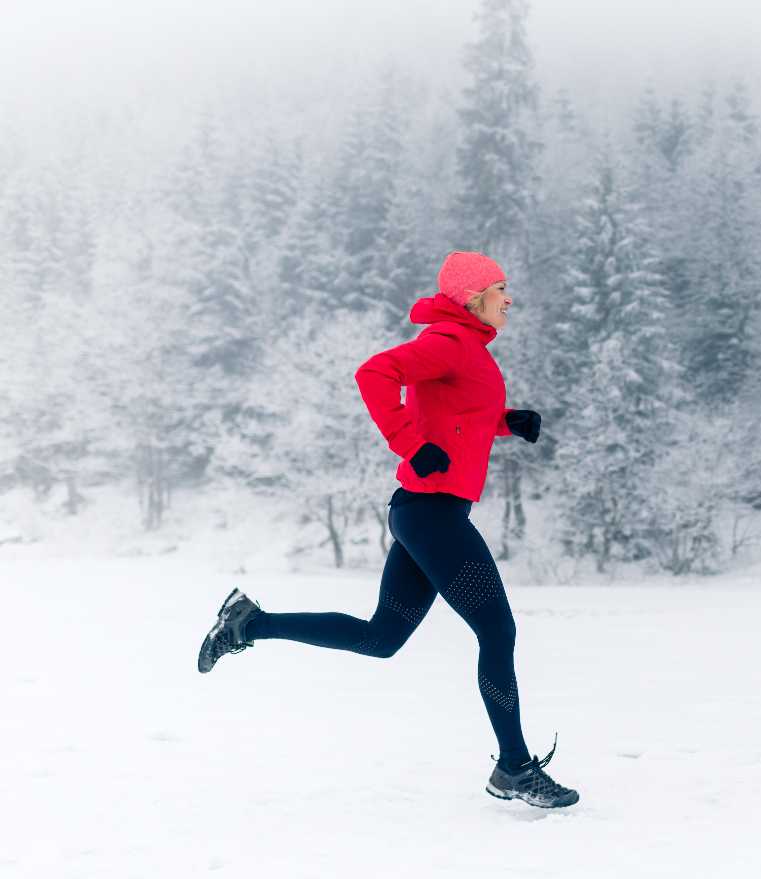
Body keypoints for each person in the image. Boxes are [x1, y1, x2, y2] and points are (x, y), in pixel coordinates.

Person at [196, 252, 578, 809]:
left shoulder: (466, 348)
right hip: (432, 514)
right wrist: (407, 443)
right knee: (498, 633)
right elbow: (374, 372)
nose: (509, 298)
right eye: (500, 287)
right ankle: (514, 767)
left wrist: (505, 421)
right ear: (473, 297)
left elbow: (455, 412)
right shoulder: (449, 341)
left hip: (427, 512)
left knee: (382, 639)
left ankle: (249, 623)